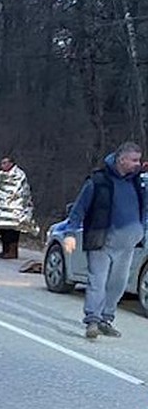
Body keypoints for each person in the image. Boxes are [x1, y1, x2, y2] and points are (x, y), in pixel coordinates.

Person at [61, 141, 147, 339]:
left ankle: (106, 319)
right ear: (122, 159)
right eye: (134, 160)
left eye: (139, 160)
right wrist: (70, 233)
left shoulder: (137, 183)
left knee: (118, 284)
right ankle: (92, 321)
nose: (137, 164)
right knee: (97, 282)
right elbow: (79, 209)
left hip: (127, 245)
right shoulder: (98, 181)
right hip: (102, 240)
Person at [0, 155, 37, 259]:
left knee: (12, 229)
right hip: (1, 207)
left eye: (5, 163)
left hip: (14, 207)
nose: (2, 165)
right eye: (2, 163)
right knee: (2, 228)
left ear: (11, 163)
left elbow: (22, 190)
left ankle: (12, 251)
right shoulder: (0, 174)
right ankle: (4, 249)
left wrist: (12, 201)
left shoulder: (19, 174)